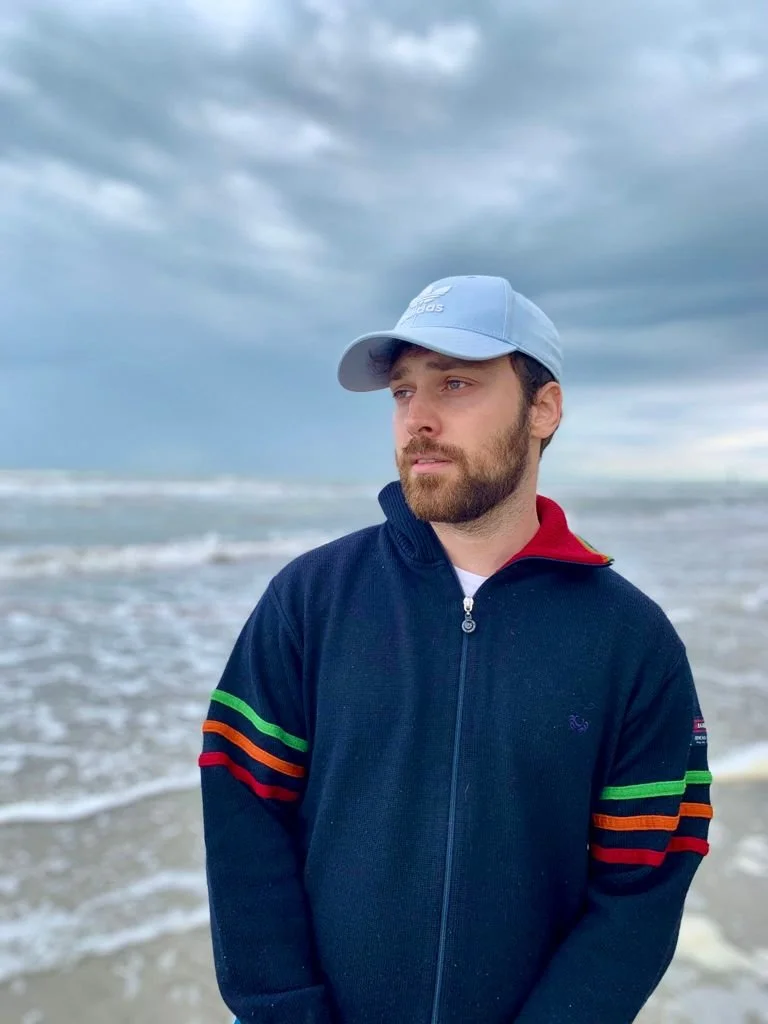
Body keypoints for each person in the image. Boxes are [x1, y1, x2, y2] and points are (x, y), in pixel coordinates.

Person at [199, 275, 712, 1024]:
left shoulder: (631, 643)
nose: (420, 420)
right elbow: (243, 811)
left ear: (543, 409)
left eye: (457, 383)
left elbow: (641, 886)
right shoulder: (310, 601)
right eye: (404, 392)